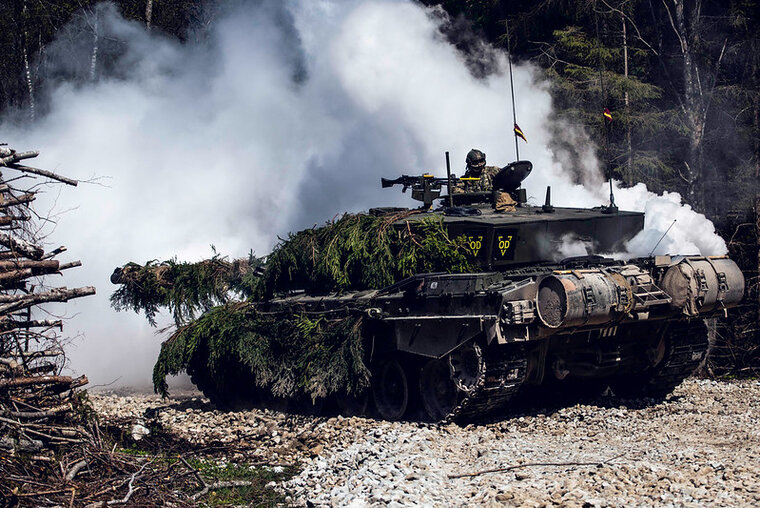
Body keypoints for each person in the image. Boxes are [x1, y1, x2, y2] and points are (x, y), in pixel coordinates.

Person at [452, 149, 517, 211]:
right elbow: (455, 189)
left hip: (492, 203)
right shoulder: (466, 178)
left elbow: (505, 174)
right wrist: (467, 193)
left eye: (481, 161)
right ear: (469, 163)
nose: (479, 164)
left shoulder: (492, 171)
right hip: (474, 206)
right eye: (475, 162)